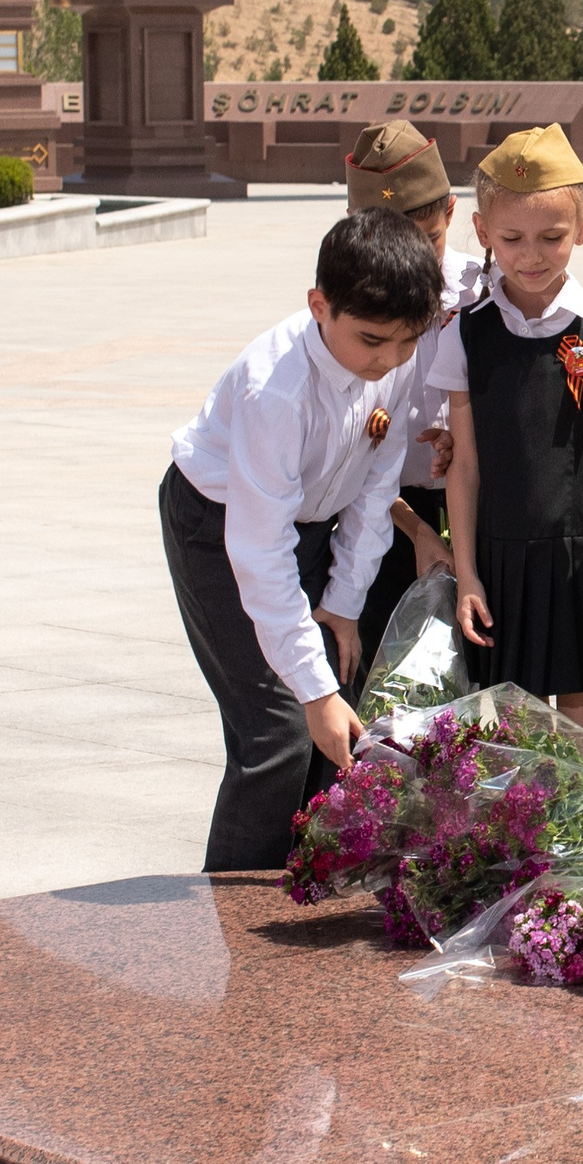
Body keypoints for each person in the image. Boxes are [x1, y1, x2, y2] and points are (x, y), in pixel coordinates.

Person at [162, 209, 440, 872]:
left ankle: (303, 888)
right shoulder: (276, 390)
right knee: (280, 730)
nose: (388, 360)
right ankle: (234, 907)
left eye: (406, 342)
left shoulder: (392, 357)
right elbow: (259, 553)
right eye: (372, 340)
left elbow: (375, 485)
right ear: (319, 306)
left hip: (310, 525)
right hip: (219, 529)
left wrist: (342, 604)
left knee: (335, 711)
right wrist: (312, 692)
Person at [428, 125, 583, 735]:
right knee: (516, 744)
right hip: (501, 568)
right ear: (481, 232)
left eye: (552, 237)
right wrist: (468, 573)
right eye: (512, 239)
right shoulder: (464, 332)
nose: (531, 255)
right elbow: (465, 465)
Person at [344, 122, 488, 672]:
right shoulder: (348, 315)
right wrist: (417, 532)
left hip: (474, 506)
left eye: (428, 238)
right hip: (385, 514)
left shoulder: (482, 291)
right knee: (384, 678)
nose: (414, 264)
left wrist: (470, 436)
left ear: (451, 212)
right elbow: (349, 460)